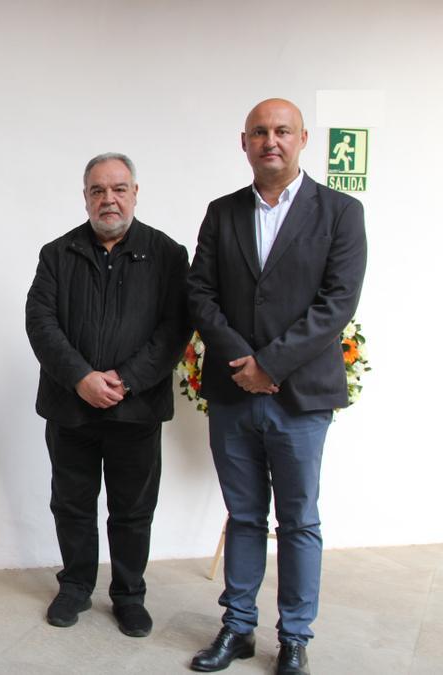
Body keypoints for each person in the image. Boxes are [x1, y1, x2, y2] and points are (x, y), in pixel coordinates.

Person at [187, 99, 367, 674]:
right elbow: (200, 293)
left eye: (282, 130)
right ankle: (237, 627)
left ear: (303, 138)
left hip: (301, 397)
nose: (271, 140)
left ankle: (294, 637)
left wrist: (274, 365)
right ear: (244, 142)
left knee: (299, 521)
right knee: (243, 516)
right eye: (260, 132)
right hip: (235, 391)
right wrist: (244, 359)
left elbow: (336, 303)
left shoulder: (340, 211)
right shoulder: (221, 213)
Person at [25, 153, 189, 638]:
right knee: (72, 504)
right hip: (70, 407)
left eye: (118, 188)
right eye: (98, 190)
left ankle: (129, 596)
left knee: (133, 509)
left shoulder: (168, 254)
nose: (108, 199)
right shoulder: (57, 254)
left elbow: (176, 327)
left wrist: (127, 378)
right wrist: (80, 377)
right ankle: (75, 587)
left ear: (135, 192)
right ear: (85, 197)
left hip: (136, 408)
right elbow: (40, 321)